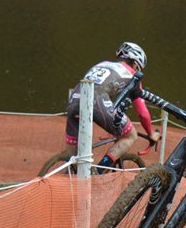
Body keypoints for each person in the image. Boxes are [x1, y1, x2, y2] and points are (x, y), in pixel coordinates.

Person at [64, 42, 159, 172]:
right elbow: (142, 113)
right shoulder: (133, 75)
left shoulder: (103, 64)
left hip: (74, 100)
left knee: (76, 160)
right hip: (96, 101)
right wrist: (151, 133)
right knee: (130, 136)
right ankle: (100, 172)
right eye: (139, 68)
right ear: (136, 64)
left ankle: (73, 174)